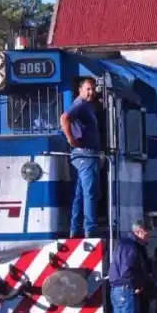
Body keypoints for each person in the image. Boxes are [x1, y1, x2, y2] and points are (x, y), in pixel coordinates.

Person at [60, 77, 102, 238]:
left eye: (93, 89)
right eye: (88, 89)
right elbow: (64, 118)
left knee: (79, 194)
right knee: (90, 192)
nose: (91, 92)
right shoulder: (81, 105)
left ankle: (75, 229)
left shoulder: (86, 106)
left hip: (84, 155)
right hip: (86, 154)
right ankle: (90, 229)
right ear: (80, 90)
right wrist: (70, 139)